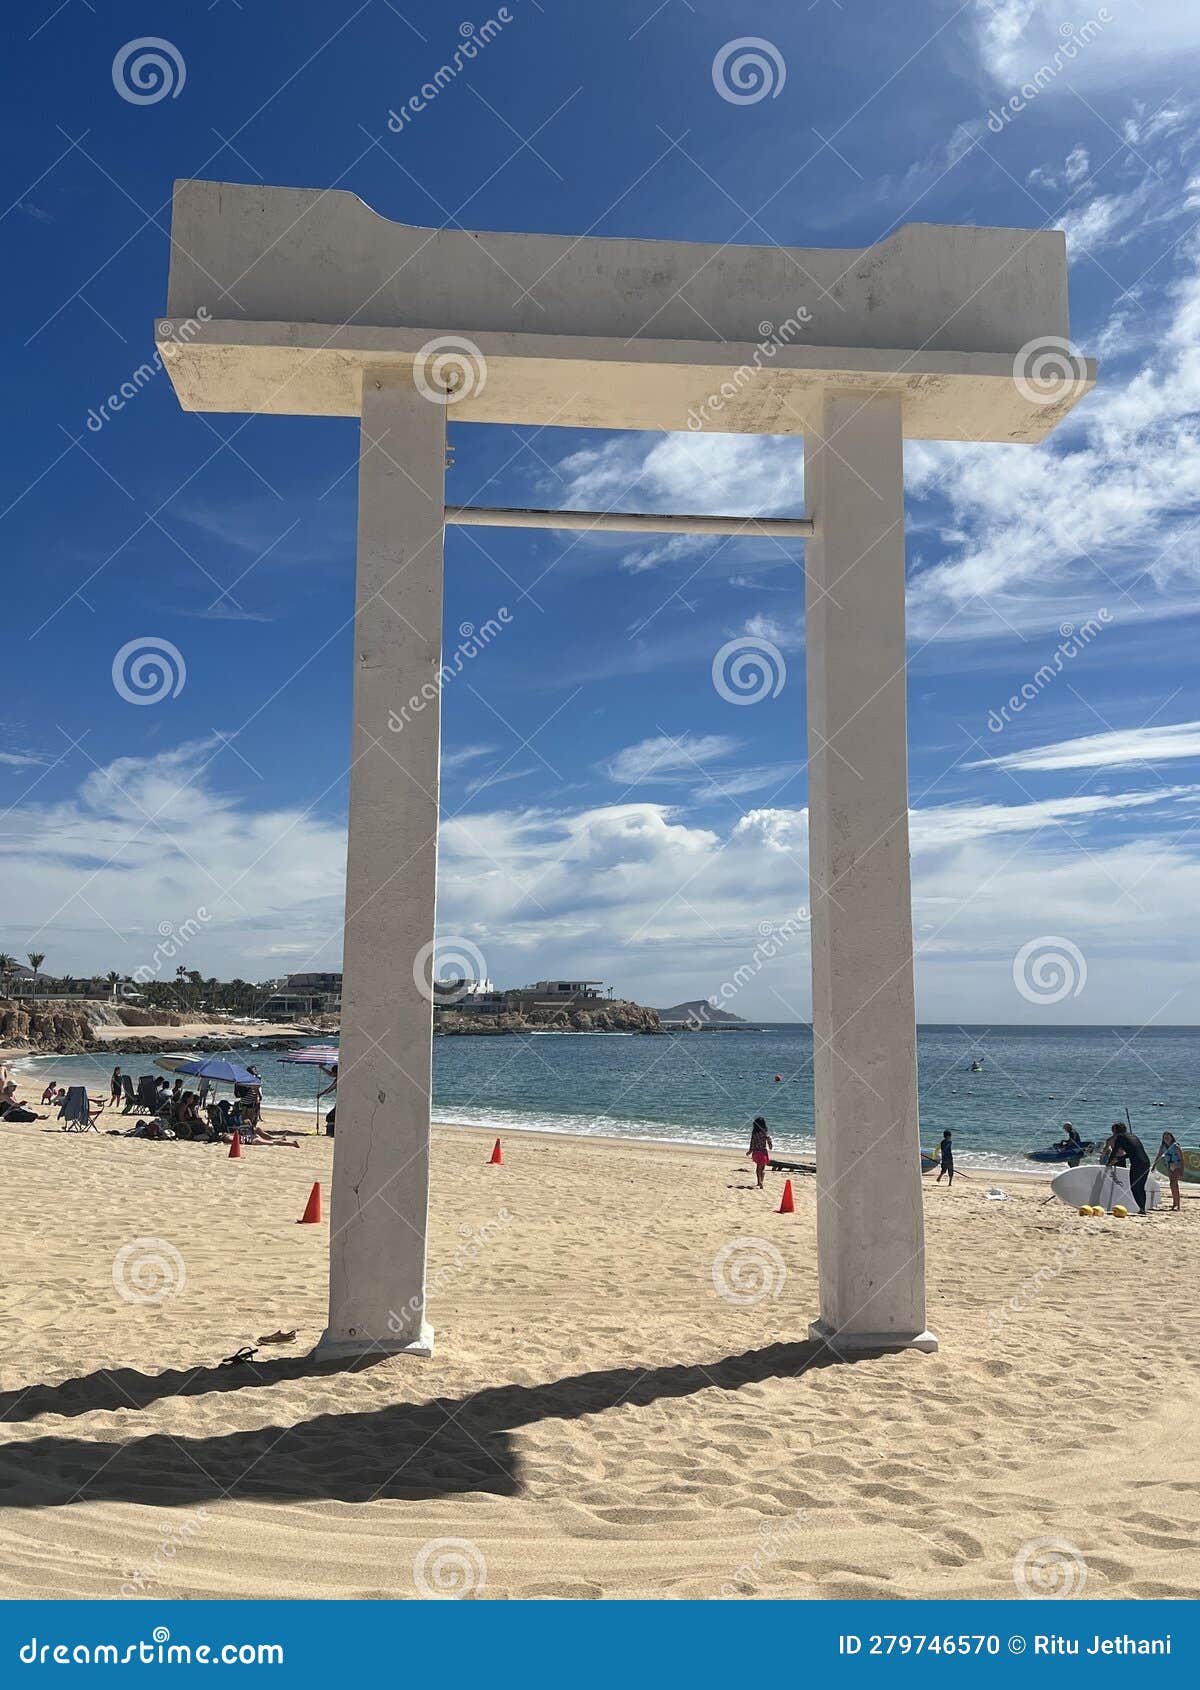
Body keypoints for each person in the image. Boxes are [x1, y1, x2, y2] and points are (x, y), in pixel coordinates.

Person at [1103, 1121, 1151, 1214]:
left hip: (1137, 1164)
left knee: (1134, 1187)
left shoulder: (1120, 1137)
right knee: (1140, 1187)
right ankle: (1142, 1209)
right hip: (1146, 1162)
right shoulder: (1133, 1136)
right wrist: (1120, 1158)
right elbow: (1133, 1153)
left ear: (1115, 1130)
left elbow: (1114, 1151)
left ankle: (1141, 1209)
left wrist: (1109, 1163)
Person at [1154, 1131, 1184, 1213]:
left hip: (1176, 1166)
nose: (1166, 1138)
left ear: (1171, 1137)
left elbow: (1181, 1159)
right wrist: (1154, 1165)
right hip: (1169, 1166)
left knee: (1174, 1184)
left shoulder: (1176, 1146)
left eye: (1168, 1137)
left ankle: (1177, 1205)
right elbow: (1159, 1156)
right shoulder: (1163, 1146)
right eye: (1165, 1137)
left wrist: (1182, 1170)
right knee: (1172, 1184)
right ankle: (1175, 1204)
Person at [747, 1116, 772, 1189]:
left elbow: (752, 1142)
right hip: (763, 1152)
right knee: (763, 1168)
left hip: (756, 1152)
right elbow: (769, 1139)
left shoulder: (754, 1133)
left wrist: (750, 1151)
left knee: (758, 1168)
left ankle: (759, 1182)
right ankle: (761, 1182)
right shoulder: (765, 1132)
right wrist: (770, 1145)